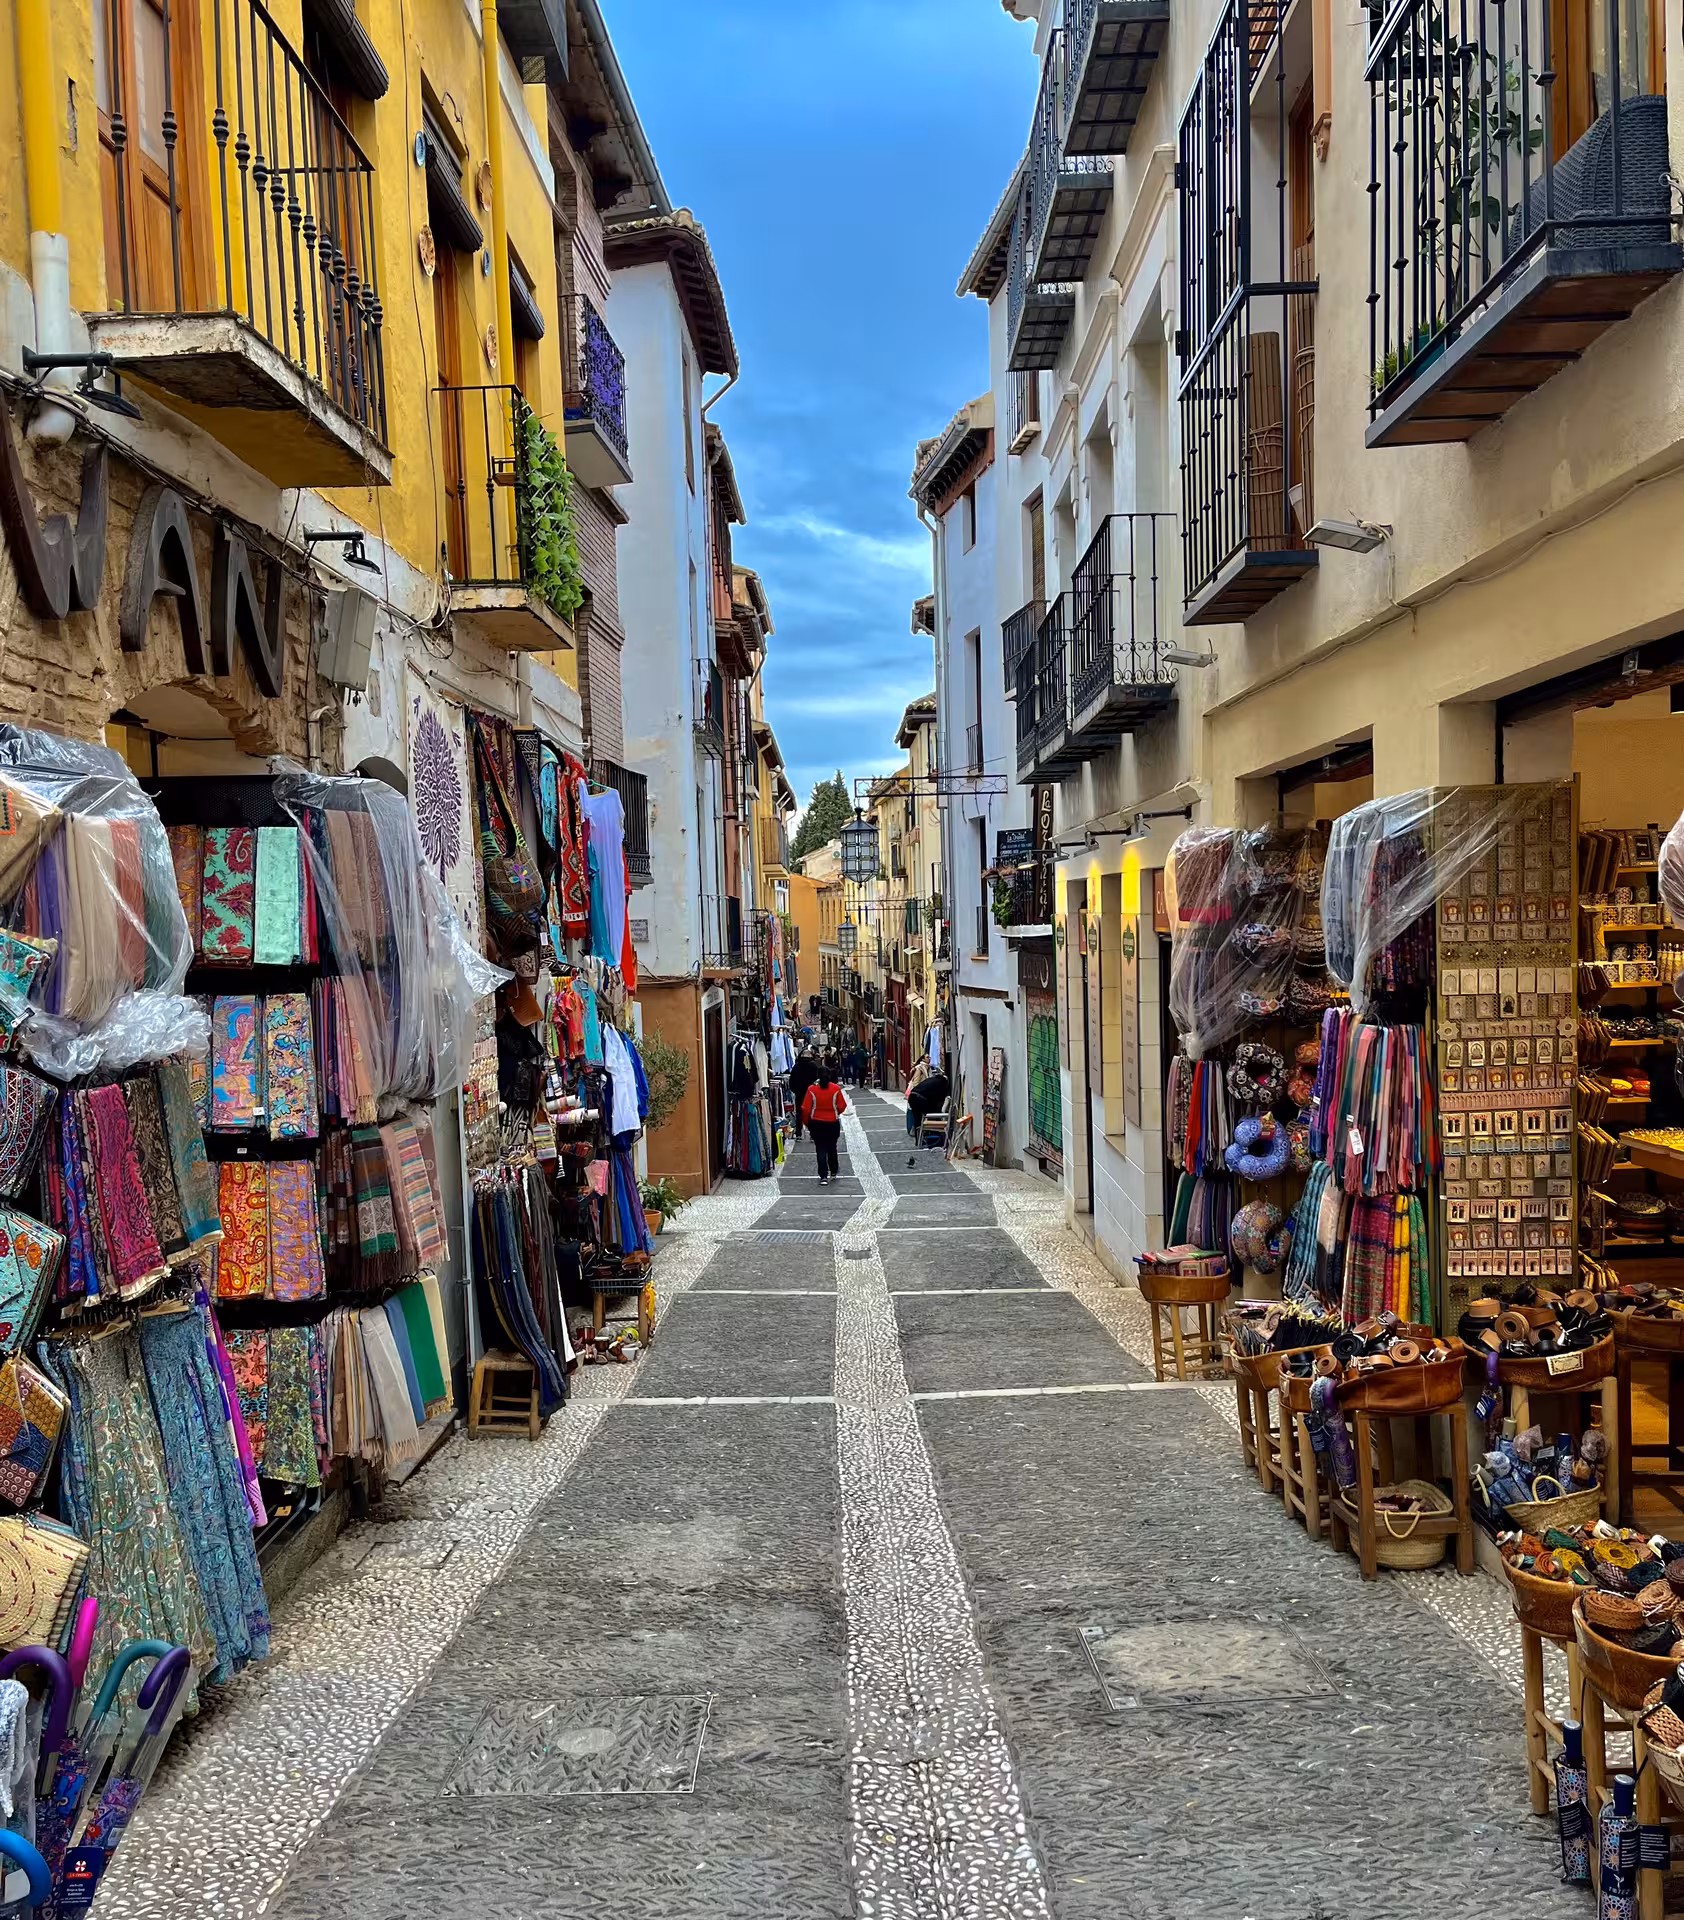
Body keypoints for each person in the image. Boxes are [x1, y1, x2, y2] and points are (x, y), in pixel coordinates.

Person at [802, 1064, 848, 1184]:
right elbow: (842, 1105)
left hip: (816, 1122)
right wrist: (836, 1112)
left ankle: (823, 1176)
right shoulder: (835, 1089)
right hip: (832, 1122)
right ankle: (833, 1170)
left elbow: (806, 1108)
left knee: (820, 1148)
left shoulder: (811, 1089)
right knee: (832, 1146)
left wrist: (807, 1123)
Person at [905, 1068, 950, 1164]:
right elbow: (939, 1099)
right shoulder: (942, 1084)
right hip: (920, 1098)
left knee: (918, 1119)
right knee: (934, 1115)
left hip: (912, 1096)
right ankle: (936, 1138)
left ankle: (919, 1140)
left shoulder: (932, 1080)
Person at [788, 1046, 818, 1139]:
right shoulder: (813, 1065)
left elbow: (791, 1080)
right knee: (811, 1113)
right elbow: (816, 1079)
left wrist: (794, 1090)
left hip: (799, 1093)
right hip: (811, 1093)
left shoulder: (796, 1066)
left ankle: (798, 1133)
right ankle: (813, 1134)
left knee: (799, 1114)